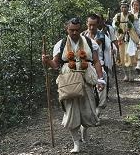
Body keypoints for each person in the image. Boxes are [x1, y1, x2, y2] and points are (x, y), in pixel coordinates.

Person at [42, 17, 105, 153]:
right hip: (68, 81)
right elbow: (55, 64)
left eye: (77, 30)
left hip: (86, 79)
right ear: (67, 29)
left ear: (80, 29)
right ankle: (76, 143)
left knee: (88, 110)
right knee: (71, 112)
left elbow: (96, 61)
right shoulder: (61, 44)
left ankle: (84, 130)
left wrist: (101, 79)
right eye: (71, 30)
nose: (74, 33)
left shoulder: (90, 42)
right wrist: (47, 61)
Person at [82, 14, 112, 120]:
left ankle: (99, 109)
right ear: (86, 24)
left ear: (97, 24)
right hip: (84, 65)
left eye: (94, 25)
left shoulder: (101, 35)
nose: (91, 27)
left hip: (99, 64)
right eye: (89, 25)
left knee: (102, 78)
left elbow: (93, 45)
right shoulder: (82, 35)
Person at [112, 1, 140, 82]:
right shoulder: (117, 16)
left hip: (131, 38)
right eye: (122, 7)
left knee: (130, 56)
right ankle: (126, 75)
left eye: (125, 7)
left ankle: (131, 75)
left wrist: (139, 36)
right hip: (121, 38)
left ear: (128, 8)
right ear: (120, 8)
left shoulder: (131, 16)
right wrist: (119, 29)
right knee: (122, 56)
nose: (124, 8)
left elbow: (136, 26)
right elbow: (114, 25)